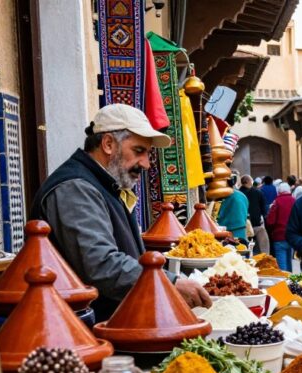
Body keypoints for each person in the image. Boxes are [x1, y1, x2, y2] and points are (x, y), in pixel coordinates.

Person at [30, 104, 210, 320]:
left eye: (148, 154)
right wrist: (169, 283)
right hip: (78, 330)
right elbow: (100, 264)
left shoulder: (104, 185)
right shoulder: (74, 188)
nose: (146, 164)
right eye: (138, 151)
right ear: (108, 144)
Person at [266, 182, 296, 271]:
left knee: (282, 266)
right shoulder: (294, 201)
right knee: (289, 262)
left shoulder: (277, 202)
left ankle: (284, 279)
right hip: (292, 236)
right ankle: (290, 278)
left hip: (279, 236)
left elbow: (270, 221)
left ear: (279, 191)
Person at [241, 175, 269, 254]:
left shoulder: (239, 193)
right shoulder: (257, 192)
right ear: (250, 182)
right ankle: (264, 256)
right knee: (262, 246)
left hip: (243, 226)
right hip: (256, 224)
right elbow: (264, 209)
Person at [216, 174, 249, 241]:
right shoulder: (242, 195)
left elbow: (218, 216)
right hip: (242, 231)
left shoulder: (222, 197)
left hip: (227, 234)